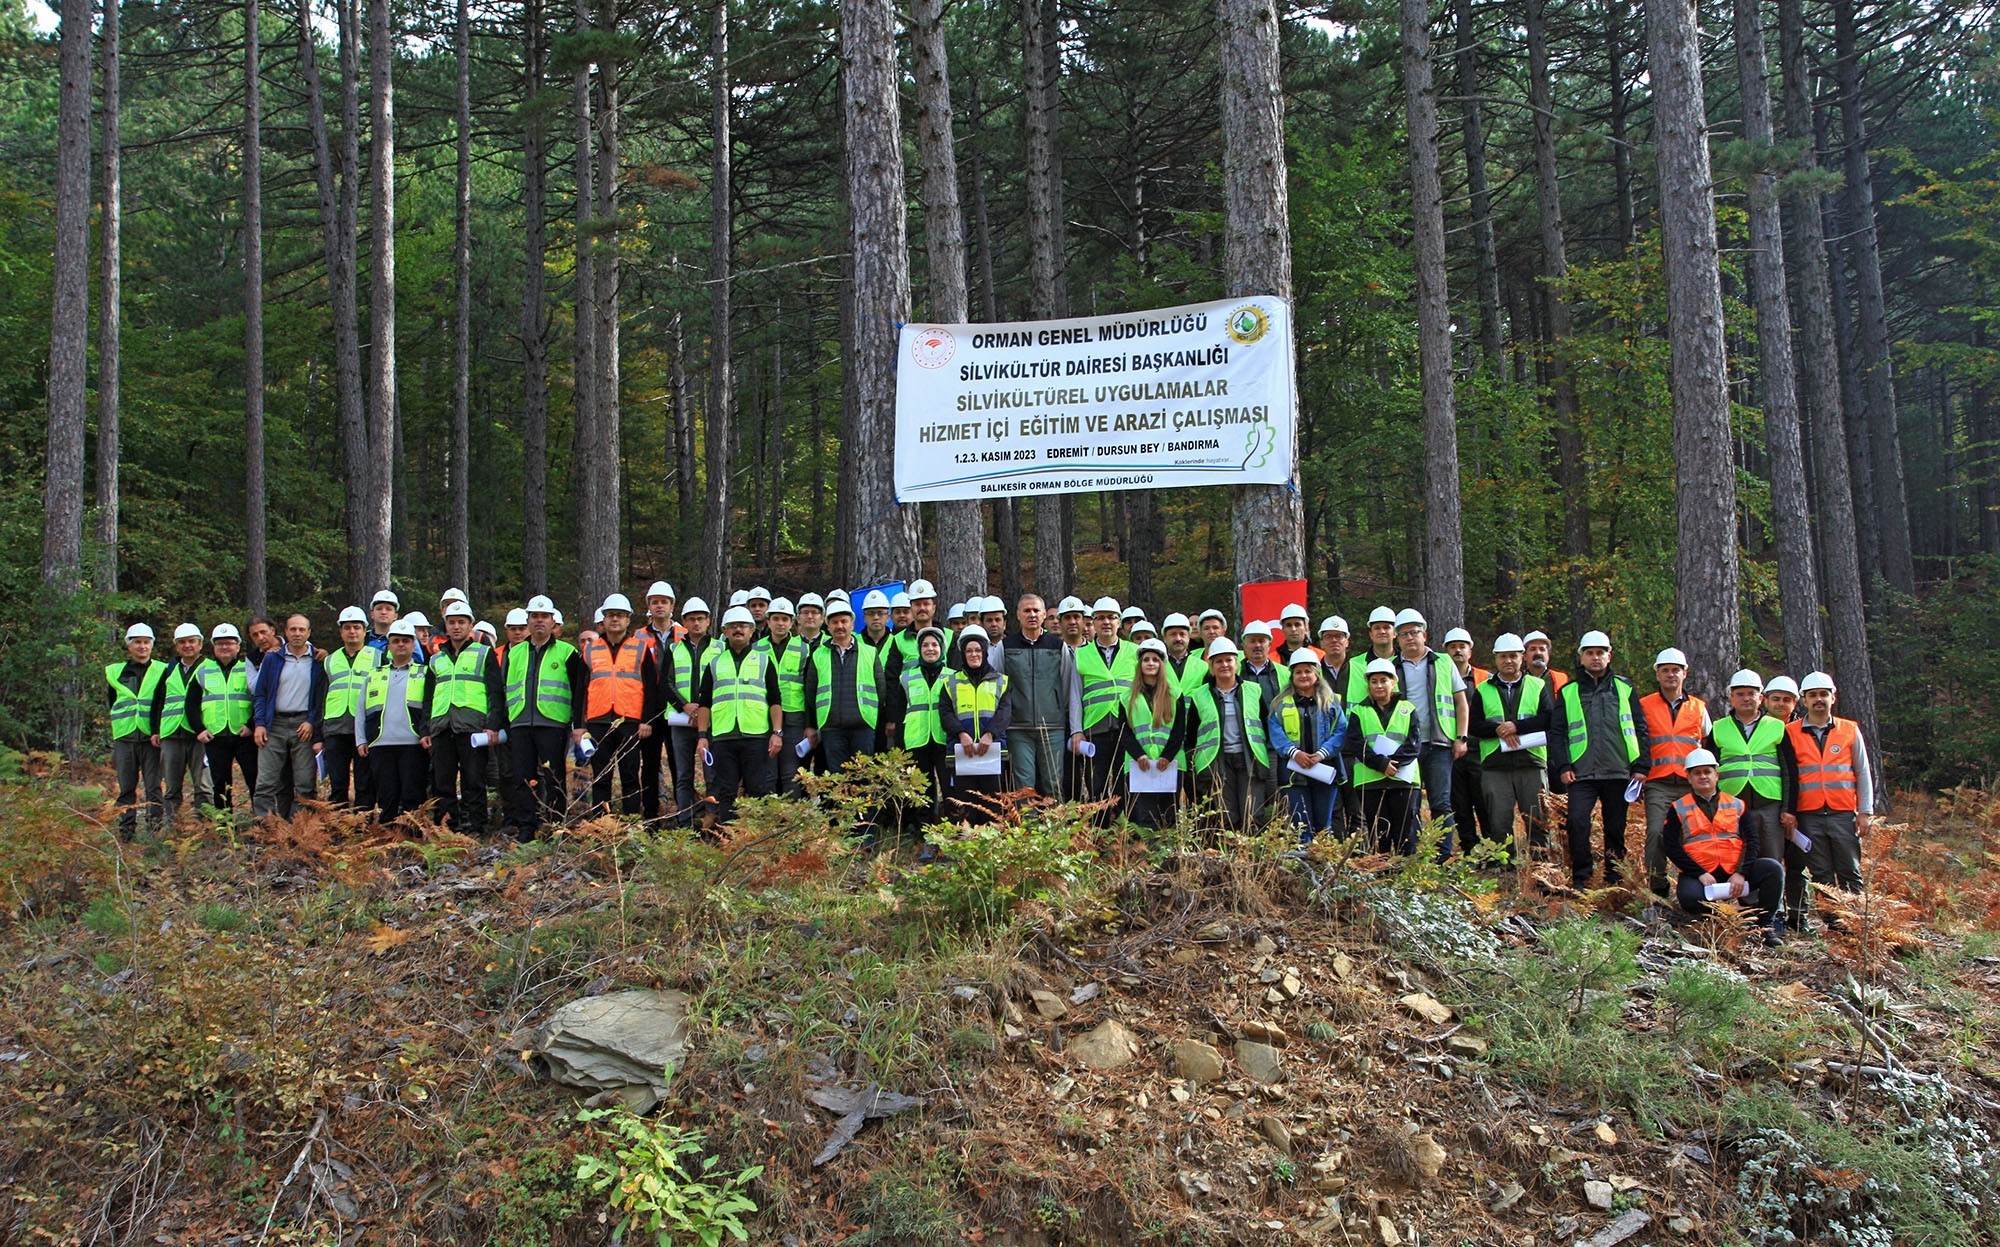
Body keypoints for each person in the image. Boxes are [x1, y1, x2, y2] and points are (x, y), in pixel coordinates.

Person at [1554, 630, 1650, 888]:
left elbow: (1640, 727)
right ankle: (1582, 878)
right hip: (1581, 772)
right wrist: (1563, 765)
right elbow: (1558, 732)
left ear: (1609, 656)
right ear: (1581, 657)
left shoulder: (1624, 688)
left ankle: (1614, 879)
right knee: (1576, 821)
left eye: (1600, 653)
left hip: (1619, 771)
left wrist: (1641, 765)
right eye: (1590, 653)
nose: (1595, 658)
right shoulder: (1568, 691)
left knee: (1615, 828)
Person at [1781, 671, 1874, 934]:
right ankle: (1835, 925)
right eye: (1813, 696)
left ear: (1833, 697)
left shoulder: (1849, 729)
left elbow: (1863, 771)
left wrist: (1865, 811)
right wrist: (1791, 812)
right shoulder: (1791, 732)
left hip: (1842, 812)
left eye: (1824, 694)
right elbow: (1788, 775)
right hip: (1808, 814)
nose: (1819, 700)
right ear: (1804, 700)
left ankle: (1857, 924)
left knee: (1849, 870)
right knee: (1821, 873)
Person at [1663, 747, 1785, 945]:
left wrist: (1741, 872)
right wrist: (1699, 873)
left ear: (1716, 774)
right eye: (1697, 772)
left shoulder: (1737, 804)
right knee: (1688, 896)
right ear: (1689, 777)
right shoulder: (1678, 808)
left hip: (1735, 870)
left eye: (1707, 771)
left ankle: (1764, 927)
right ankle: (1715, 924)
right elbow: (1671, 846)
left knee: (1773, 869)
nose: (1703, 776)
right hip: (1701, 874)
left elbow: (1752, 840)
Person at [502, 595, 589, 839]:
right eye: (534, 616)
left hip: (552, 723)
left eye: (544, 617)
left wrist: (578, 724)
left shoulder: (568, 652)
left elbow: (579, 691)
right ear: (528, 621)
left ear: (553, 621)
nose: (539, 621)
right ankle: (526, 827)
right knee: (523, 778)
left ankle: (554, 825)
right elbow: (504, 689)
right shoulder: (514, 653)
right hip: (520, 723)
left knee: (554, 778)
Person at [1468, 632, 1556, 863]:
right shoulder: (1483, 689)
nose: (1508, 661)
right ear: (1496, 659)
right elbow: (1474, 725)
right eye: (1503, 656)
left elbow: (1549, 719)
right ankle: (1504, 868)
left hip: (1531, 762)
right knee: (1499, 821)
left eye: (1513, 656)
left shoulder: (1537, 686)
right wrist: (1496, 729)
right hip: (1495, 765)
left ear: (1522, 658)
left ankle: (1541, 869)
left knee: (1537, 819)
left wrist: (1516, 726)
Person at [693, 606, 784, 825]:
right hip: (724, 738)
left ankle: (756, 837)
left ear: (752, 631)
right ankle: (730, 839)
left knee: (758, 790)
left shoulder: (764, 661)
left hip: (756, 736)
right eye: (733, 626)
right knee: (727, 793)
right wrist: (702, 735)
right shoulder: (715, 664)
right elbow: (704, 702)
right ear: (724, 631)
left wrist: (777, 732)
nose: (738, 630)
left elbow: (775, 700)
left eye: (743, 626)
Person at [1392, 609, 1469, 856]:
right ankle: (1412, 854)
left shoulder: (1443, 662)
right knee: (1409, 802)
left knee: (1441, 803)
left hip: (1439, 743)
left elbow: (1460, 702)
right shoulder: (1391, 667)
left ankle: (1442, 855)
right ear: (1397, 639)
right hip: (1406, 745)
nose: (1410, 637)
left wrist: (1461, 737)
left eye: (1414, 632)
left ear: (1424, 634)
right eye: (1403, 634)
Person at [1639, 647, 1712, 900]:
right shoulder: (1644, 705)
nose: (1671, 675)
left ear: (1685, 673)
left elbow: (1707, 744)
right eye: (1665, 670)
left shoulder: (1699, 708)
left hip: (1689, 785)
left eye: (1676, 670)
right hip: (1657, 782)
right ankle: (1658, 888)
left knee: (1694, 837)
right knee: (1657, 833)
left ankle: (1695, 888)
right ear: (1657, 674)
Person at [429, 599, 503, 834]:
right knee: (443, 783)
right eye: (451, 622)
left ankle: (476, 826)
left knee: (474, 780)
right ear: (445, 626)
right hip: (442, 727)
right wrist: (425, 730)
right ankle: (446, 827)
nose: (456, 627)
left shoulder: (484, 653)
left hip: (473, 728)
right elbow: (427, 698)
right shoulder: (436, 658)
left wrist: (492, 725)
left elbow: (495, 692)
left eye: (461, 622)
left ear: (470, 625)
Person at [578, 593, 653, 819]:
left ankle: (631, 823)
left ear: (628, 619)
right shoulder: (590, 650)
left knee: (630, 775)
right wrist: (579, 725)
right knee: (601, 776)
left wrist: (646, 721)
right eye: (610, 615)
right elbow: (580, 692)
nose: (615, 620)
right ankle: (601, 825)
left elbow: (651, 689)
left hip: (629, 721)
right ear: (603, 619)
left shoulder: (641, 649)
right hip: (598, 721)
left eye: (620, 616)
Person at [1183, 638, 1270, 831]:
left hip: (1250, 760)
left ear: (1236, 663)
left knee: (1252, 813)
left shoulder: (1253, 691)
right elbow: (1191, 737)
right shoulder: (1199, 695)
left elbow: (1266, 727)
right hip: (1217, 762)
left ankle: (1251, 858)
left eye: (1229, 660)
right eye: (1218, 661)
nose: (1224, 665)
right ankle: (1230, 858)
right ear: (1211, 666)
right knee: (1226, 815)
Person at [1704, 670, 1786, 867]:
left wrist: (1788, 809)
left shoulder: (1777, 727)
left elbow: (1789, 770)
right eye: (1740, 694)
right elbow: (1709, 771)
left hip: (1769, 804)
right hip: (1732, 804)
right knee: (1738, 860)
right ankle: (1748, 899)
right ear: (1731, 698)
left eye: (1751, 693)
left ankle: (1773, 898)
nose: (1746, 698)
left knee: (1771, 858)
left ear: (1761, 697)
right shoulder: (1719, 727)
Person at [1341, 658, 1423, 852]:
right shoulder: (1358, 712)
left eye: (1383, 680)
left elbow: (1414, 743)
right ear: (1368, 684)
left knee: (1404, 833)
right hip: (1370, 782)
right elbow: (1355, 744)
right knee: (1379, 834)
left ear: (1393, 682)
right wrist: (1380, 764)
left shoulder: (1408, 709)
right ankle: (1382, 875)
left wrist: (1393, 764)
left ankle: (1406, 875)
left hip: (1403, 779)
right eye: (1374, 681)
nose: (1379, 685)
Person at [357, 618, 432, 821]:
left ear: (413, 644)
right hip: (380, 743)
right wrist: (361, 740)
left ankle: (412, 836)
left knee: (413, 794)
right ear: (388, 645)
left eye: (406, 641)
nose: (401, 644)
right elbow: (360, 710)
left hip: (413, 744)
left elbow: (430, 708)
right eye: (396, 640)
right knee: (386, 795)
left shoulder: (424, 673)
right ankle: (387, 838)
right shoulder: (374, 674)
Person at [253, 614, 326, 820]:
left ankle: (299, 827)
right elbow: (261, 693)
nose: (297, 633)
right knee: (266, 781)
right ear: (285, 632)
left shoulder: (318, 660)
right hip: (273, 724)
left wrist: (311, 721)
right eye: (293, 629)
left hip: (303, 725)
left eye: (302, 630)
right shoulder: (272, 659)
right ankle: (264, 827)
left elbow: (320, 697)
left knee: (305, 782)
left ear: (309, 633)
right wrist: (260, 723)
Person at [1268, 650, 1344, 843]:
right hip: (1294, 774)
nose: (1303, 676)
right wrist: (1295, 753)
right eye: (1298, 672)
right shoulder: (1280, 703)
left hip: (1324, 770)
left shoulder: (1332, 701)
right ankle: (1303, 869)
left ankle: (1323, 869)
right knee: (1300, 825)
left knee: (1323, 825)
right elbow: (1276, 733)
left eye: (1308, 671)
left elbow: (1341, 731)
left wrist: (1321, 754)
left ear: (1316, 674)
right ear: (1292, 676)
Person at [1003, 593, 1072, 799]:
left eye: (1036, 610)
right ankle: (1028, 830)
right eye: (1027, 610)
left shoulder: (1058, 647)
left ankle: (1055, 828)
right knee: (1024, 786)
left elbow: (1067, 684)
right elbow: (999, 685)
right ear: (1018, 615)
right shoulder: (1006, 647)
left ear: (1044, 615)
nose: (1031, 614)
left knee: (1054, 782)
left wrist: (1057, 706)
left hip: (1052, 727)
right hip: (1018, 727)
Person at [802, 597, 882, 773]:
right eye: (835, 622)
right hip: (831, 728)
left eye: (844, 621)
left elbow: (880, 690)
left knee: (863, 778)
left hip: (863, 725)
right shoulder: (818, 654)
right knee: (837, 781)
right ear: (828, 626)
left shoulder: (869, 652)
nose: (840, 626)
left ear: (852, 624)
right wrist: (812, 724)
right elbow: (810, 693)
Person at [1070, 598, 1138, 804]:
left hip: (1127, 727)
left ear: (1119, 622)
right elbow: (1075, 695)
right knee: (1096, 785)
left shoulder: (1135, 651)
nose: (1106, 622)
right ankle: (1099, 830)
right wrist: (1076, 730)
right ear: (1093, 623)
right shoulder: (1081, 654)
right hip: (1094, 729)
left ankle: (1124, 830)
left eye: (1111, 617)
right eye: (1101, 618)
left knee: (1125, 784)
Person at [1116, 638, 1188, 832]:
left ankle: (1171, 859)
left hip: (1170, 764)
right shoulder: (1126, 697)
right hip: (1139, 764)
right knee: (1144, 816)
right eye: (1146, 659)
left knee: (1169, 815)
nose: (1150, 663)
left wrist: (1167, 756)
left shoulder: (1175, 694)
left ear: (1161, 664)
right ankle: (1147, 859)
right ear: (1140, 664)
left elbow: (1179, 730)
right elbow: (1125, 732)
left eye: (1155, 660)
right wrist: (1139, 755)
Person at [940, 626, 1011, 822]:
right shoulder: (950, 682)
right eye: (969, 651)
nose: (974, 654)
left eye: (978, 650)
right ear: (963, 653)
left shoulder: (1001, 681)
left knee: (992, 803)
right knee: (965, 803)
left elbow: (1005, 713)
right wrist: (961, 733)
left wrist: (990, 734)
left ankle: (992, 845)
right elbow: (945, 713)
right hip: (963, 753)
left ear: (985, 651)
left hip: (993, 752)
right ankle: (966, 844)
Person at [107, 623, 167, 841]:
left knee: (153, 787)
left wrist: (158, 730)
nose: (142, 647)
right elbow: (112, 702)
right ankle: (126, 834)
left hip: (152, 738)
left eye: (146, 642)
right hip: (125, 737)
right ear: (129, 646)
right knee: (126, 788)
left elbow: (164, 702)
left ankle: (154, 832)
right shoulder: (115, 671)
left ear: (152, 645)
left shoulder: (163, 669)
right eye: (137, 642)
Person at [317, 606, 378, 810]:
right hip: (335, 728)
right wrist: (319, 734)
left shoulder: (378, 657)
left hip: (364, 729)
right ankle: (339, 826)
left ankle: (363, 824)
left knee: (364, 782)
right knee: (338, 782)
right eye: (347, 627)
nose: (352, 631)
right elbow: (320, 698)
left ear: (364, 630)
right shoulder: (329, 660)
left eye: (357, 627)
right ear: (340, 631)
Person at [191, 623, 258, 812]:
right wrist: (200, 730)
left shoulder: (248, 669)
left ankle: (261, 823)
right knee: (220, 784)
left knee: (254, 779)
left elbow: (259, 699)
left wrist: (251, 724)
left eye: (229, 643)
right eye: (220, 644)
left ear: (238, 646)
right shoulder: (203, 671)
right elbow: (191, 705)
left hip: (244, 735)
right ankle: (225, 825)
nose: (225, 647)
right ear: (213, 647)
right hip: (216, 736)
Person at [658, 597, 714, 820]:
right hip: (680, 721)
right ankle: (684, 821)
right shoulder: (673, 649)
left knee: (711, 774)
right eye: (692, 619)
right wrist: (685, 706)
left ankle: (712, 819)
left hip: (709, 721)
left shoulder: (720, 647)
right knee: (683, 774)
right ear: (684, 622)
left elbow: (723, 681)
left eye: (700, 619)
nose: (697, 623)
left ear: (708, 621)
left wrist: (702, 709)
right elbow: (666, 682)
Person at [885, 626, 952, 809]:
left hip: (944, 739)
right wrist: (900, 743)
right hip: (916, 740)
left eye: (934, 645)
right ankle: (923, 830)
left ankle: (953, 828)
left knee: (949, 787)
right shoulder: (906, 677)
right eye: (925, 645)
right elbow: (900, 712)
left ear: (942, 648)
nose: (930, 649)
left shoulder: (953, 677)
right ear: (919, 650)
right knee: (921, 789)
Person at [154, 623, 215, 819]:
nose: (187, 645)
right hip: (172, 733)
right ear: (176, 645)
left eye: (191, 641)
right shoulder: (168, 669)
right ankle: (174, 826)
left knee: (204, 786)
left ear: (200, 644)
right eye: (182, 642)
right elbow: (158, 701)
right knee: (171, 787)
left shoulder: (211, 668)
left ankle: (204, 827)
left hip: (201, 735)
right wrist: (155, 730)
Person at [756, 598, 813, 796]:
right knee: (767, 771)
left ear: (792, 622)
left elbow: (809, 688)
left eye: (785, 619)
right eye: (776, 618)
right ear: (768, 621)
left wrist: (808, 723)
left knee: (791, 771)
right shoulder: (757, 648)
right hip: (764, 715)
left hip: (794, 716)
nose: (780, 623)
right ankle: (769, 818)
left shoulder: (804, 648)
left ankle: (792, 819)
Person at [1442, 627, 1489, 852]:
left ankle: (1491, 849)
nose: (1457, 651)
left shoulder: (1485, 678)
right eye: (1452, 647)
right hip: (1450, 749)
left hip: (1480, 749)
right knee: (1459, 804)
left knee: (1484, 801)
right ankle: (1470, 848)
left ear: (1470, 650)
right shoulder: (1440, 677)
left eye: (1462, 646)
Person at [1341, 607, 1399, 705]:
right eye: (1377, 628)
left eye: (1386, 627)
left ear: (1395, 633)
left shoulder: (1405, 662)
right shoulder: (1353, 664)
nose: (1382, 631)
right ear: (1371, 634)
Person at [1317, 617, 1351, 702]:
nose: (1334, 640)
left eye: (1339, 636)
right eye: (1328, 637)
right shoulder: (1313, 673)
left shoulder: (1361, 671)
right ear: (1321, 643)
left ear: (1347, 642)